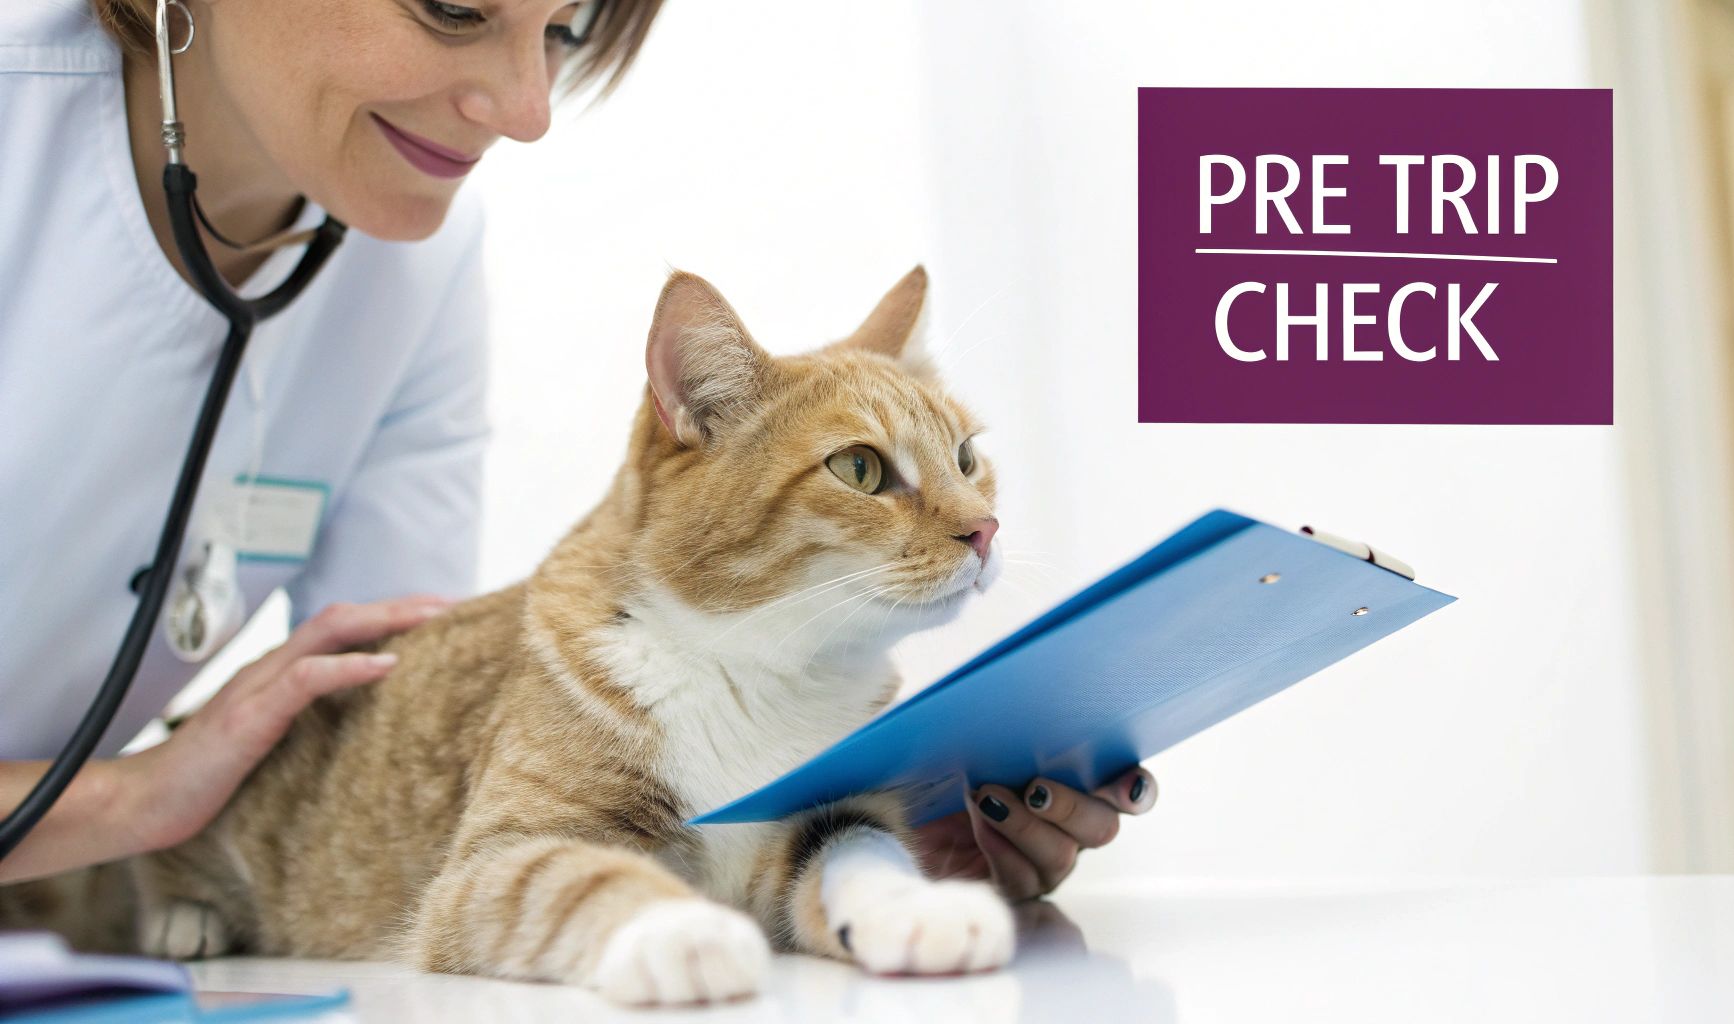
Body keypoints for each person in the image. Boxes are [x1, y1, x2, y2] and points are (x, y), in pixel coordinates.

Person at [0, 0, 1157, 900]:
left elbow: (379, 751)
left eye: (559, 30)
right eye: (452, 9)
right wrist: (126, 801)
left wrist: (851, 840)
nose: (525, 108)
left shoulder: (416, 265)